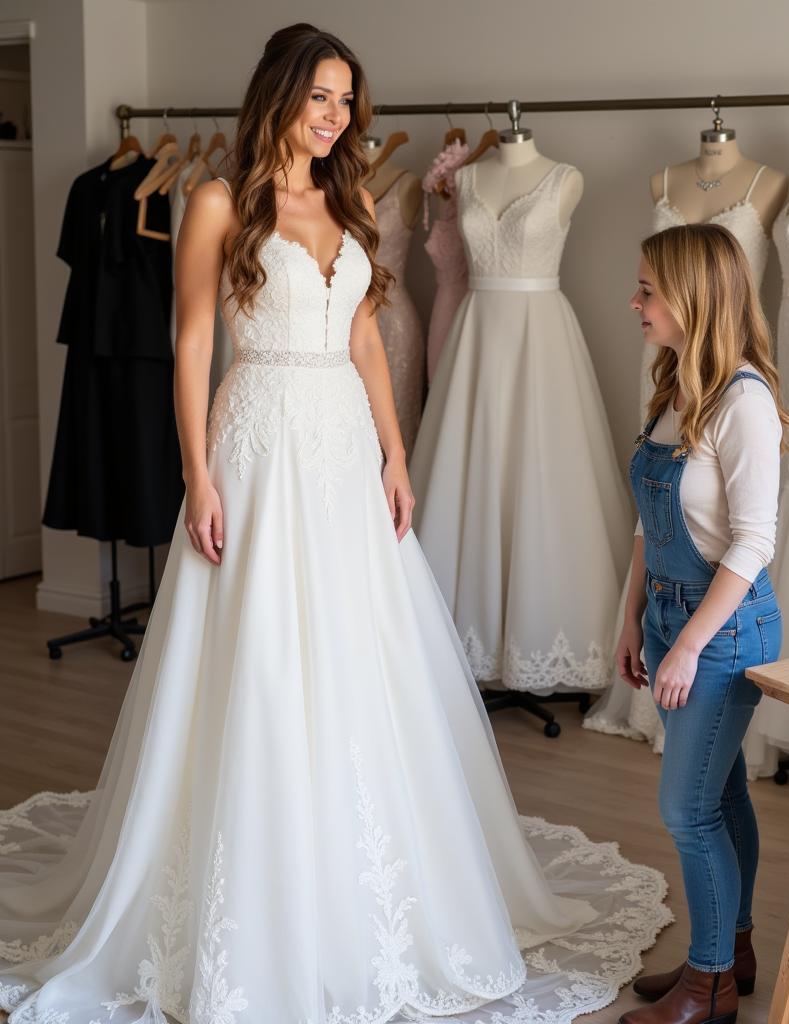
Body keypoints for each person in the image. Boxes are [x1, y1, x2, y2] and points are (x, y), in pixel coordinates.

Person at [0, 24, 667, 1024]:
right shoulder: (219, 202)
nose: (335, 117)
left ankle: (362, 877)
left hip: (343, 450)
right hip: (257, 440)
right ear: (278, 94)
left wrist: (395, 453)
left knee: (360, 656)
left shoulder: (346, 199)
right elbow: (190, 344)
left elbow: (361, 337)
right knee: (257, 658)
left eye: (347, 100)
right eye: (320, 97)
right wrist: (197, 475)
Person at [618, 225, 789, 1024]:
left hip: (721, 631)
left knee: (687, 810)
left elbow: (754, 542)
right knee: (719, 794)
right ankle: (735, 946)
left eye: (649, 288)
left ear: (693, 297)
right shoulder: (672, 388)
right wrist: (631, 622)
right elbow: (648, 529)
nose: (636, 301)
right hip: (666, 617)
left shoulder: (743, 401)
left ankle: (711, 981)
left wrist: (687, 644)